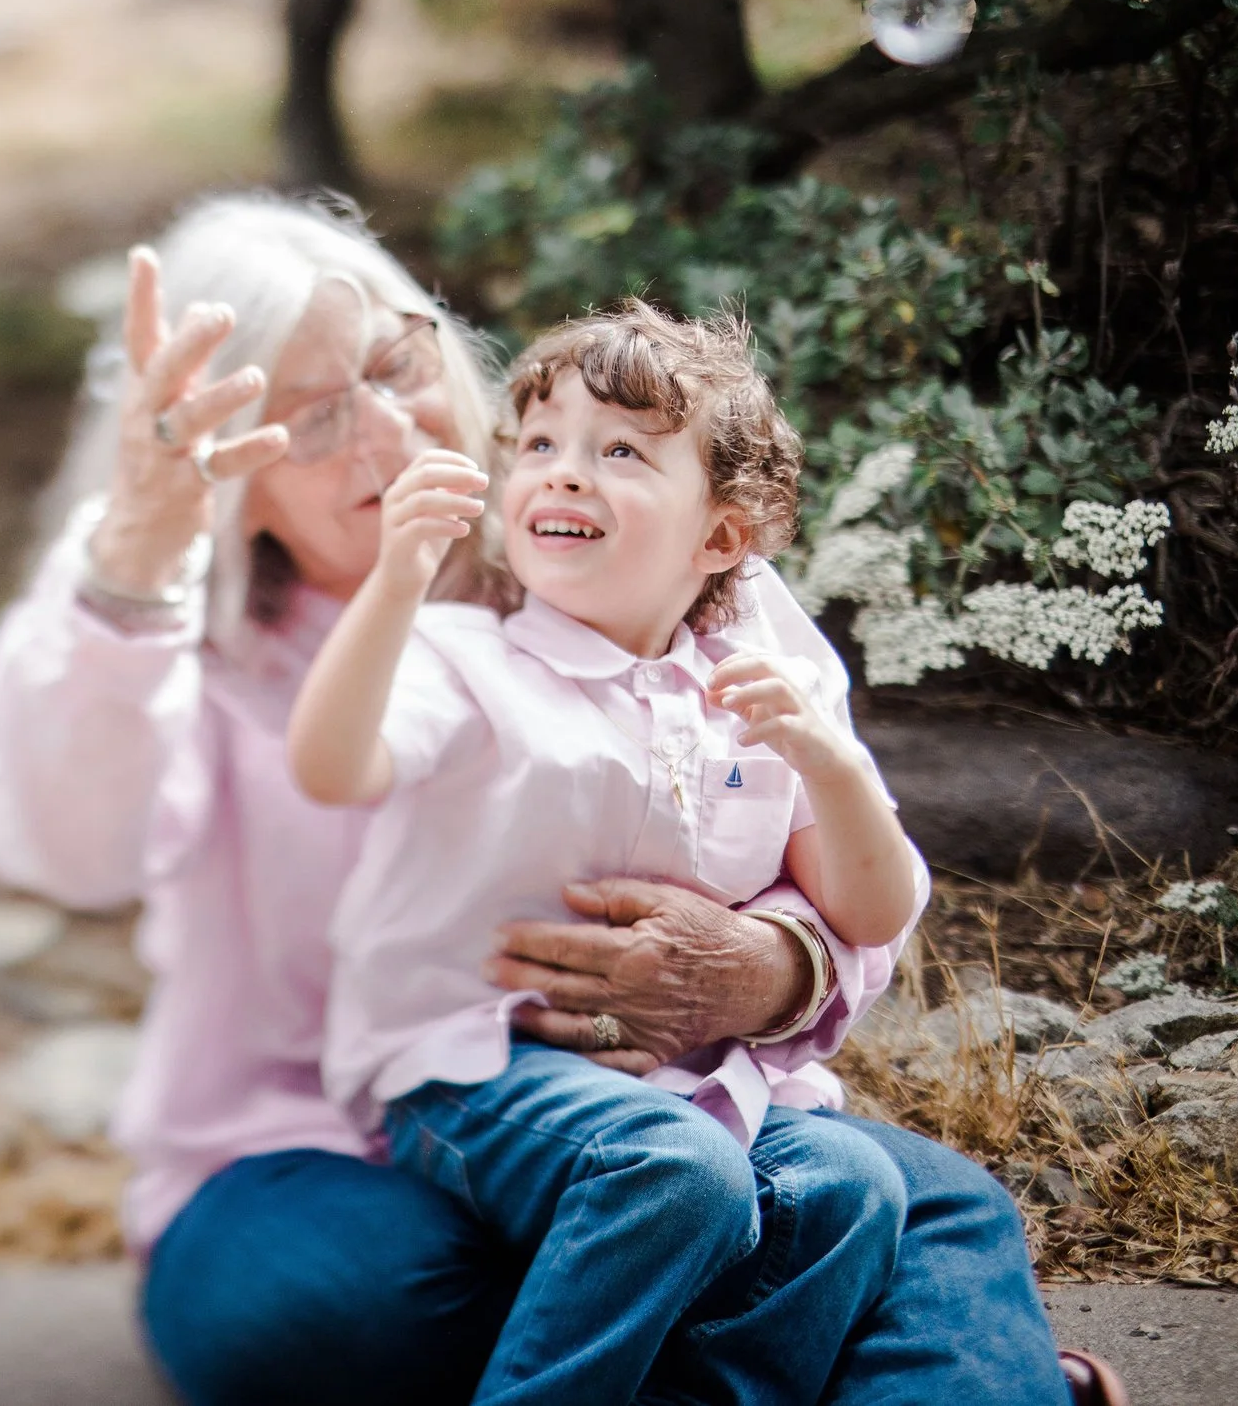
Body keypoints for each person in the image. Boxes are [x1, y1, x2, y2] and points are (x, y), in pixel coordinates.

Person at [0, 193, 1100, 1405]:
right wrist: (136, 555)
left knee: (913, 1203)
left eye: (396, 365)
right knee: (366, 1301)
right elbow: (66, 845)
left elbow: (841, 861)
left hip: (651, 1122)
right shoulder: (185, 630)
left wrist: (772, 966)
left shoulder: (645, 556)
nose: (384, 431)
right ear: (226, 470)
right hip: (323, 1151)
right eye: (305, 420)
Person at [286, 304, 926, 1403]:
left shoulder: (762, 689)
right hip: (471, 1062)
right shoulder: (464, 656)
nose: (563, 474)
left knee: (851, 1181)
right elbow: (333, 766)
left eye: (619, 451)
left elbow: (870, 911)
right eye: (538, 446)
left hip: (687, 1080)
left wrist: (830, 763)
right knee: (673, 1171)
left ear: (719, 537)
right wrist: (397, 578)